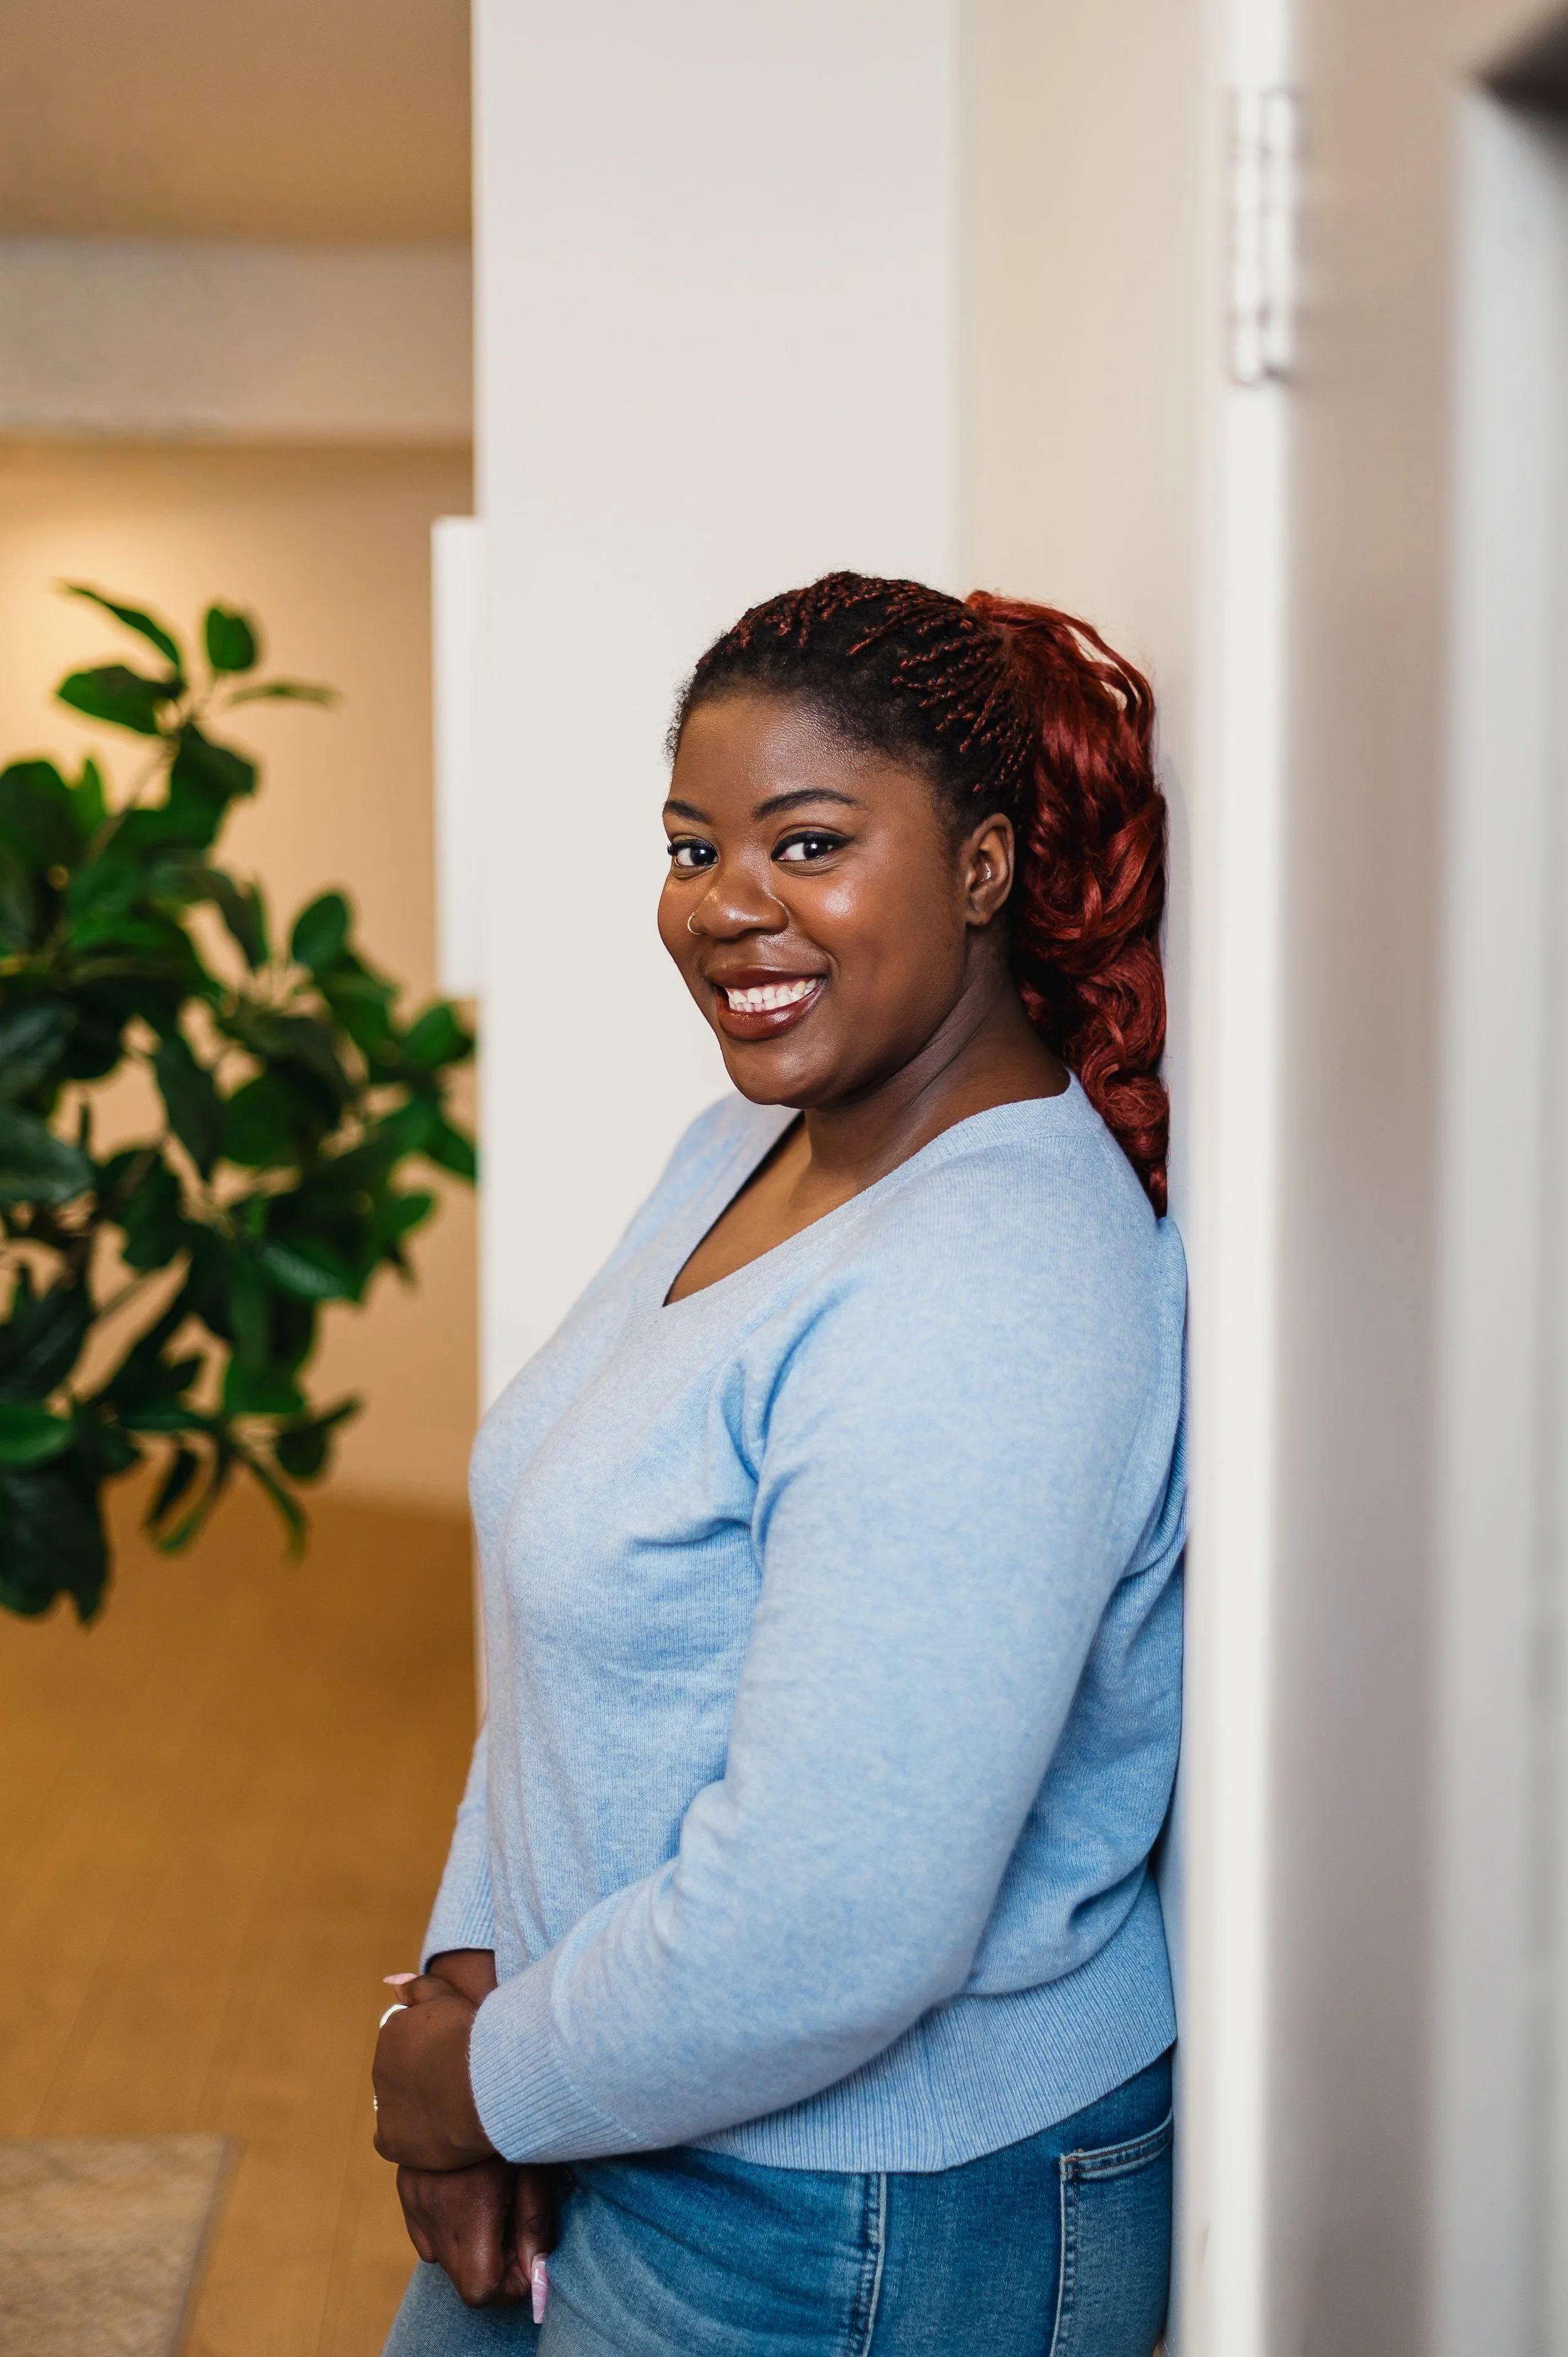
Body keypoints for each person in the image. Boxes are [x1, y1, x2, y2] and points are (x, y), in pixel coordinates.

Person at [373, 573, 1185, 2357]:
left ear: (980, 868)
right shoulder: (737, 1145)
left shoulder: (989, 1288)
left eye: (806, 842)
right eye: (691, 846)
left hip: (857, 2210)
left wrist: (468, 2082)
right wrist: (456, 1980)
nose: (727, 906)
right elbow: (561, 1605)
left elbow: (832, 1922)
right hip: (608, 2089)